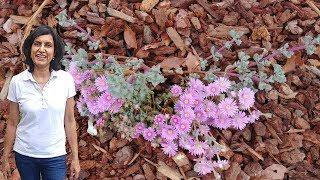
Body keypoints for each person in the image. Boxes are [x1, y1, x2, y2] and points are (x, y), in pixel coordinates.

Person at [1, 25, 81, 180]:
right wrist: (4, 157)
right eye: (37, 44)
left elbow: (70, 121)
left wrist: (76, 158)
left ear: (55, 52)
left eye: (48, 45)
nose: (42, 49)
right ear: (30, 49)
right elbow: (12, 123)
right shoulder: (18, 82)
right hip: (25, 155)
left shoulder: (65, 80)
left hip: (55, 156)